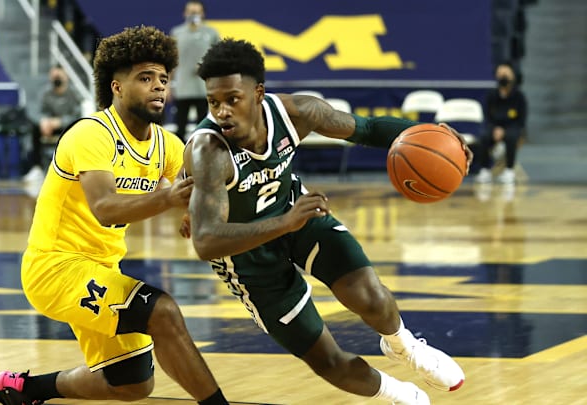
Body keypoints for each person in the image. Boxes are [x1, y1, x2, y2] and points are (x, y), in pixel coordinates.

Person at [181, 39, 470, 404]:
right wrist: (284, 222)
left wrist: (441, 140)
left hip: (296, 214)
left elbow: (365, 128)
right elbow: (205, 242)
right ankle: (401, 396)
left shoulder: (297, 112)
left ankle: (405, 347)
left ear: (258, 94)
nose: (222, 112)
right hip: (246, 259)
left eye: (232, 100)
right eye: (213, 102)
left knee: (371, 296)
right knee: (330, 361)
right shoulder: (210, 151)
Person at [0, 26, 228, 405]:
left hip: (102, 271)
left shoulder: (166, 144)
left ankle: (28, 390)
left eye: (163, 79)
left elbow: (201, 188)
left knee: (132, 383)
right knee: (163, 311)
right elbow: (105, 208)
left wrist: (197, 209)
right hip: (55, 268)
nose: (158, 87)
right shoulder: (91, 134)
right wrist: (169, 199)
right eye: (145, 77)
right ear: (116, 87)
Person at [169, 0, 220, 140]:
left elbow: (219, 57)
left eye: (197, 12)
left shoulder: (211, 33)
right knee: (180, 126)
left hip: (203, 88)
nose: (194, 15)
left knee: (204, 126)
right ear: (185, 13)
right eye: (191, 12)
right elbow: (172, 61)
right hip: (182, 88)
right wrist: (168, 84)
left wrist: (207, 66)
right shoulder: (177, 33)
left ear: (203, 13)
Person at [23, 65, 82, 182]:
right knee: (35, 129)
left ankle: (76, 167)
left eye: (59, 76)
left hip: (67, 127)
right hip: (48, 127)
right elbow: (36, 111)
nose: (57, 79)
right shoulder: (45, 93)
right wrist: (44, 121)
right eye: (54, 76)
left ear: (66, 77)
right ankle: (37, 168)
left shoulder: (74, 94)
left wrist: (60, 122)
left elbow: (78, 115)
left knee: (80, 129)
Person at [474, 61, 528, 184]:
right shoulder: (492, 95)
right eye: (500, 74)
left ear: (512, 76)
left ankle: (509, 170)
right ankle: (484, 170)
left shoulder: (519, 96)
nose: (503, 77)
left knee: (512, 136)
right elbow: (488, 116)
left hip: (512, 127)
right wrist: (495, 129)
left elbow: (521, 120)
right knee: (484, 136)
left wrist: (505, 131)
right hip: (494, 127)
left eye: (506, 74)